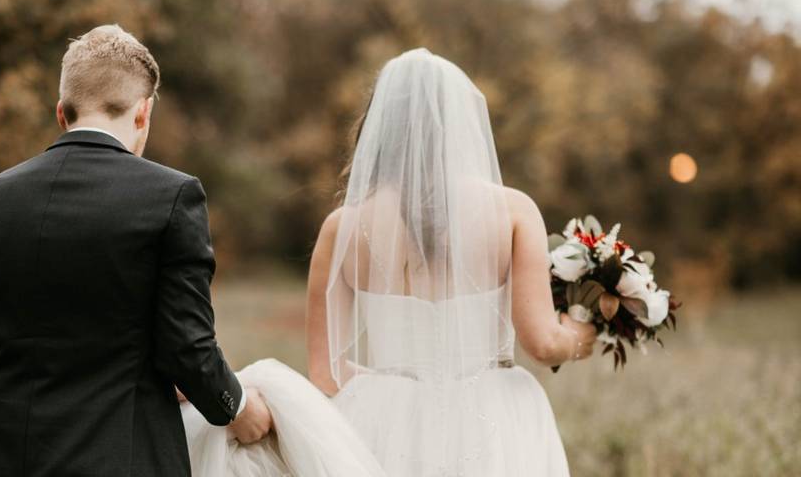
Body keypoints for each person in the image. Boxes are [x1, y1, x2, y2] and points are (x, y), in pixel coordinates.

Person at [183, 47, 597, 476]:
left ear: (380, 127)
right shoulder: (513, 212)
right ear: (461, 126)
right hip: (494, 414)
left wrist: (390, 386)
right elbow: (544, 343)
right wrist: (583, 332)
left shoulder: (340, 228)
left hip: (379, 419)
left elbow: (326, 376)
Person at [0, 24, 271, 477]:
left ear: (61, 113)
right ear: (143, 114)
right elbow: (187, 348)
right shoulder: (173, 197)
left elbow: (35, 331)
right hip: (116, 459)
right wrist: (238, 407)